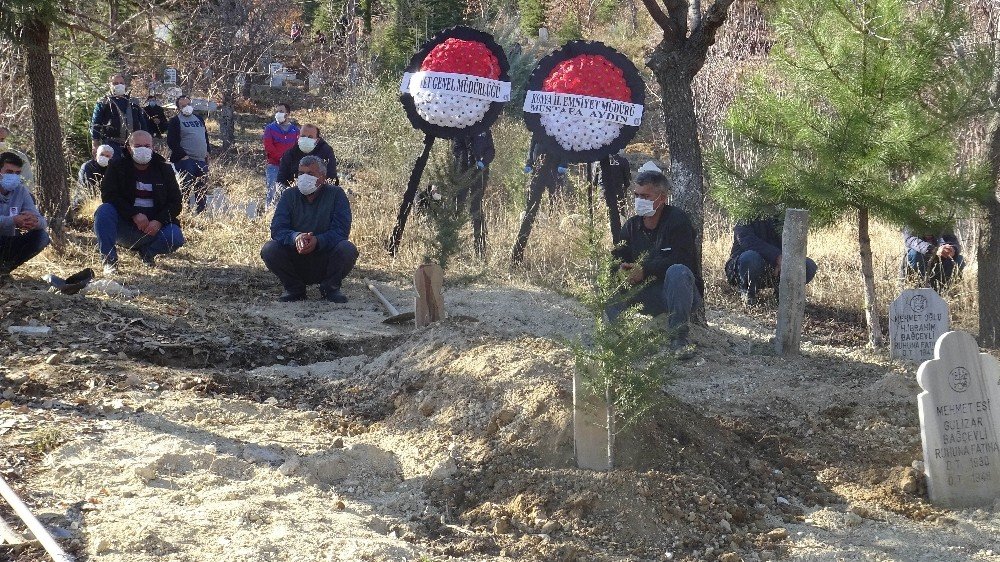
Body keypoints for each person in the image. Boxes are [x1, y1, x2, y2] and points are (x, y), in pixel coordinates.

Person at [607, 162, 703, 353]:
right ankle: (618, 340)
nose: (639, 200)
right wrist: (621, 270)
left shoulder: (678, 220)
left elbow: (682, 259)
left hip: (677, 293)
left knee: (678, 271)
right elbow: (617, 258)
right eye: (637, 196)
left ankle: (678, 340)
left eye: (645, 196)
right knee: (609, 279)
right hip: (644, 293)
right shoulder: (631, 226)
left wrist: (645, 270)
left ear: (662, 198)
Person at [261, 155, 357, 302]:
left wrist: (318, 241)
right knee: (269, 249)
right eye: (301, 173)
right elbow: (278, 229)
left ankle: (330, 288)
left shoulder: (337, 195)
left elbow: (341, 231)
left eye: (310, 174)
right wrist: (296, 237)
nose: (304, 177)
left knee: (347, 249)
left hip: (325, 259)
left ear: (323, 177)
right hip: (295, 257)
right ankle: (294, 288)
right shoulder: (289, 195)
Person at [95, 131, 184, 273]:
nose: (143, 149)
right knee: (103, 211)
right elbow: (109, 196)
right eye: (137, 145)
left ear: (153, 148)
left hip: (154, 228)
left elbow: (176, 203)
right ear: (129, 148)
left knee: (175, 236)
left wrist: (159, 221)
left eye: (147, 145)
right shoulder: (117, 167)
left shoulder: (165, 169)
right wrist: (133, 214)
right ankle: (109, 261)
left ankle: (147, 253)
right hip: (125, 225)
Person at [725, 214, 818, 307]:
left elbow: (795, 245)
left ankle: (784, 296)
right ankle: (748, 294)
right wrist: (776, 256)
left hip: (776, 269)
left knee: (808, 265)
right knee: (751, 257)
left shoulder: (783, 214)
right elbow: (746, 240)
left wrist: (786, 260)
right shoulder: (747, 212)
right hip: (743, 267)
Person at [0, 152, 49, 282]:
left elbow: (42, 221)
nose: (14, 177)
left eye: (17, 173)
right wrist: (13, 220)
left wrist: (33, 221)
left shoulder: (21, 190)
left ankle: (3, 270)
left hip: (7, 241)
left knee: (42, 237)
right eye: (9, 172)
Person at [452, 130, 494, 258]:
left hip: (480, 173)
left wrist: (483, 161)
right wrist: (470, 163)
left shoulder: (484, 129)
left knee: (476, 208)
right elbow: (456, 149)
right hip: (462, 173)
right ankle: (451, 246)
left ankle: (480, 248)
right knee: (457, 207)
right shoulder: (460, 127)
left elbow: (491, 150)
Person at [167, 95, 212, 213]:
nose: (186, 107)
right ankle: (183, 212)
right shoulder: (175, 121)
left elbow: (204, 136)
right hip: (186, 161)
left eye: (188, 104)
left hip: (201, 160)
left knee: (202, 189)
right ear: (178, 108)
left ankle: (201, 213)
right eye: (183, 106)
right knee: (185, 188)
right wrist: (183, 156)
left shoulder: (199, 119)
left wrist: (208, 151)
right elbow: (171, 141)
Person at [91, 74, 149, 158]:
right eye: (115, 83)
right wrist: (95, 143)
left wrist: (146, 140)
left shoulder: (133, 102)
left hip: (132, 144)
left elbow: (142, 123)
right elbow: (95, 123)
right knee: (114, 168)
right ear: (110, 85)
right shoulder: (103, 102)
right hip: (111, 143)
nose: (119, 85)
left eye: (121, 83)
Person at [275, 123, 337, 188]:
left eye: (310, 137)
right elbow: (281, 178)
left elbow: (331, 176)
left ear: (317, 140)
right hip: (294, 191)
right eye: (303, 136)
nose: (306, 139)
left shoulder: (326, 152)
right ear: (298, 137)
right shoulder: (290, 153)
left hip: (319, 191)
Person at [263, 103, 299, 207]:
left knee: (290, 194)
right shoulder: (270, 129)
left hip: (290, 168)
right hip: (274, 166)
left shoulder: (296, 131)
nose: (278, 113)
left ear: (287, 114)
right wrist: (281, 158)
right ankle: (268, 217)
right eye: (277, 111)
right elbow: (268, 146)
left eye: (281, 111)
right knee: (272, 193)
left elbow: (298, 148)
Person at [591, 150, 630, 245]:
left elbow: (594, 182)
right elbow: (627, 182)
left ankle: (605, 236)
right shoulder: (623, 161)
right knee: (620, 216)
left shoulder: (598, 161)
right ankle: (620, 238)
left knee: (603, 214)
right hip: (618, 193)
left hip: (602, 193)